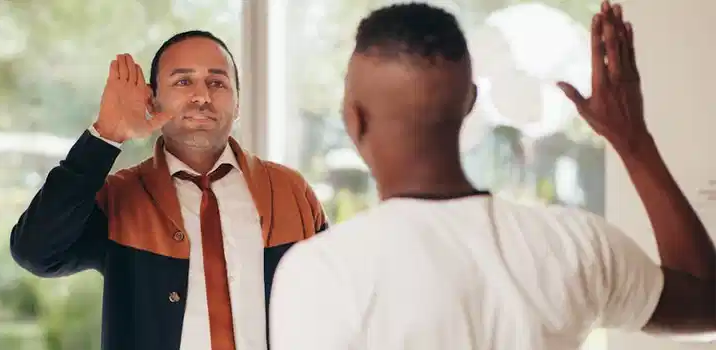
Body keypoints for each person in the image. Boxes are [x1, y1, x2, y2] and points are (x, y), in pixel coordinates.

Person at [269, 2, 716, 349]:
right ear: (470, 102)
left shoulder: (322, 271)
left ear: (354, 118)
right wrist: (633, 141)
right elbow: (706, 304)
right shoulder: (575, 244)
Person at [10, 30, 328, 350]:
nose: (201, 96)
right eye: (183, 82)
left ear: (238, 103)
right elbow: (35, 251)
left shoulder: (291, 192)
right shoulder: (121, 198)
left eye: (217, 83)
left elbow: (332, 305)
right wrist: (106, 134)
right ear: (152, 100)